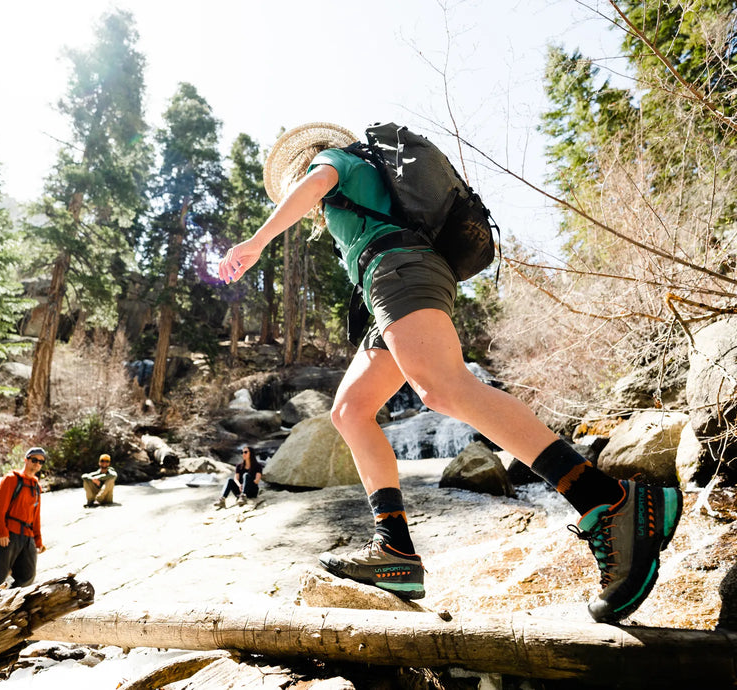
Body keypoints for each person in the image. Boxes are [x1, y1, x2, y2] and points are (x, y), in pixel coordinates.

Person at [217, 122, 683, 623]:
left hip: (399, 271)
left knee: (441, 388)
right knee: (350, 410)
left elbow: (314, 184)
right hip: (393, 284)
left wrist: (255, 242)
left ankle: (610, 504)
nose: (302, 193)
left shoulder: (334, 160)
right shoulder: (361, 182)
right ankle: (395, 551)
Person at [0, 446, 46, 600]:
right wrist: (1, 532)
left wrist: (38, 540)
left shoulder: (36, 486)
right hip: (9, 534)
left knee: (28, 576)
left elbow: (35, 516)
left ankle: (7, 602)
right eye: (34, 460)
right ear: (26, 460)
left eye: (41, 461)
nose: (37, 464)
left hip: (27, 536)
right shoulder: (11, 479)